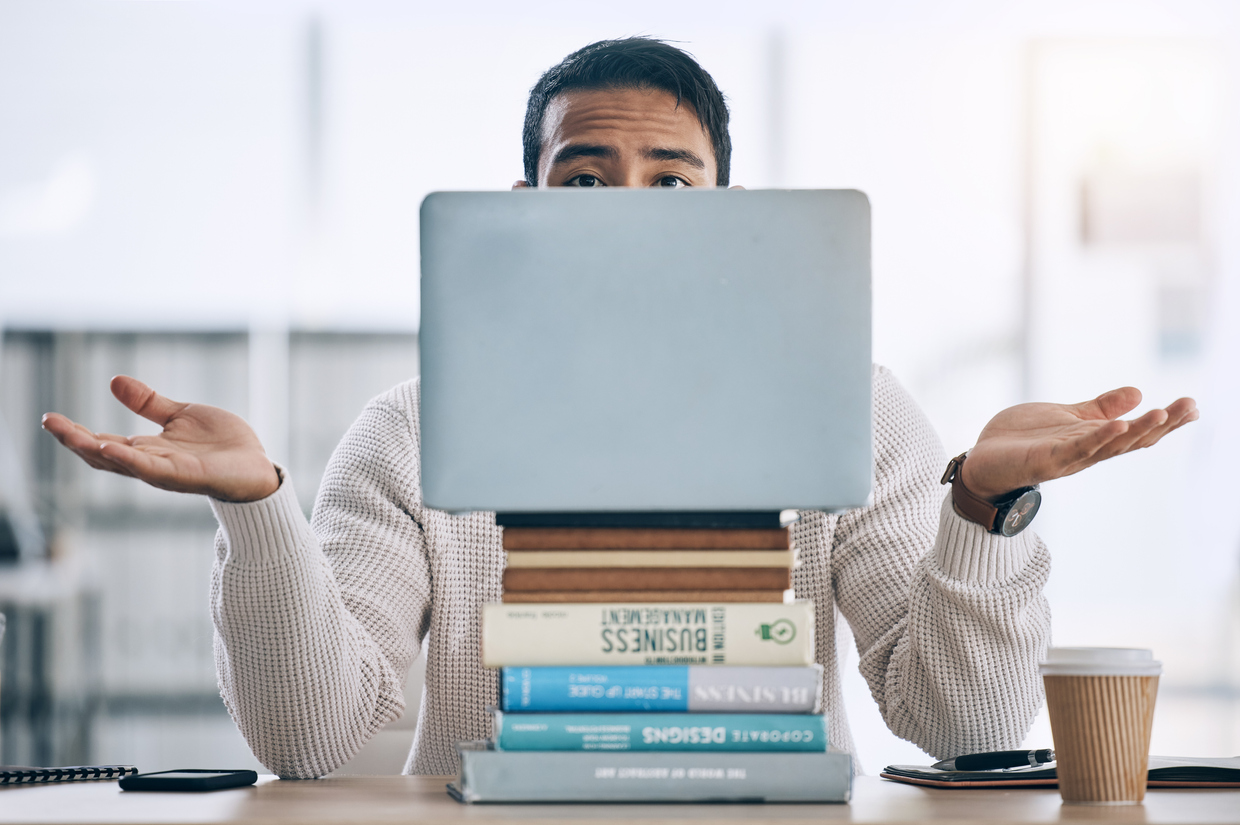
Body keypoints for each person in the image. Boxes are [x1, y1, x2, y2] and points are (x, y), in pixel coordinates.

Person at [41, 38, 1198, 778]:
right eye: (583, 179)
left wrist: (983, 507)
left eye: (672, 182)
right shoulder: (407, 428)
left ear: (726, 210)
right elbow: (310, 737)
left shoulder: (860, 410)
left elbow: (963, 726)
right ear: (524, 202)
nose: (628, 212)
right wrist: (259, 512)